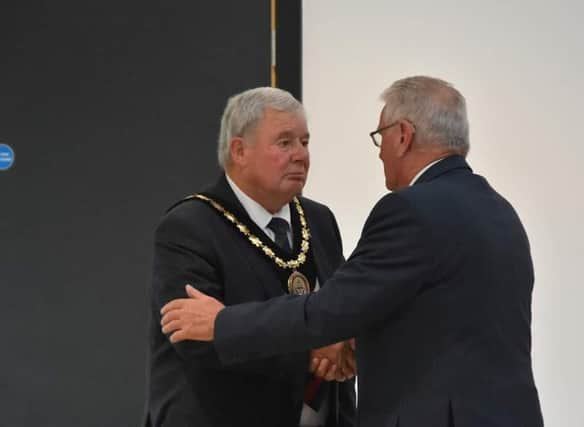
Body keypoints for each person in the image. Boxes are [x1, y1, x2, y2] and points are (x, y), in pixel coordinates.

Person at [160, 76, 544, 426]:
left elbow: (336, 308)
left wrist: (222, 323)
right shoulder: (499, 210)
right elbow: (432, 316)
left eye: (380, 138)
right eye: (285, 142)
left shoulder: (410, 210)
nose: (380, 155)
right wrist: (345, 344)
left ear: (403, 135)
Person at [145, 87, 356, 427]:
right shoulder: (188, 226)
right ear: (239, 151)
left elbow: (344, 308)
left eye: (305, 142)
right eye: (285, 143)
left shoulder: (320, 220)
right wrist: (311, 351)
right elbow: (195, 339)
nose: (302, 155)